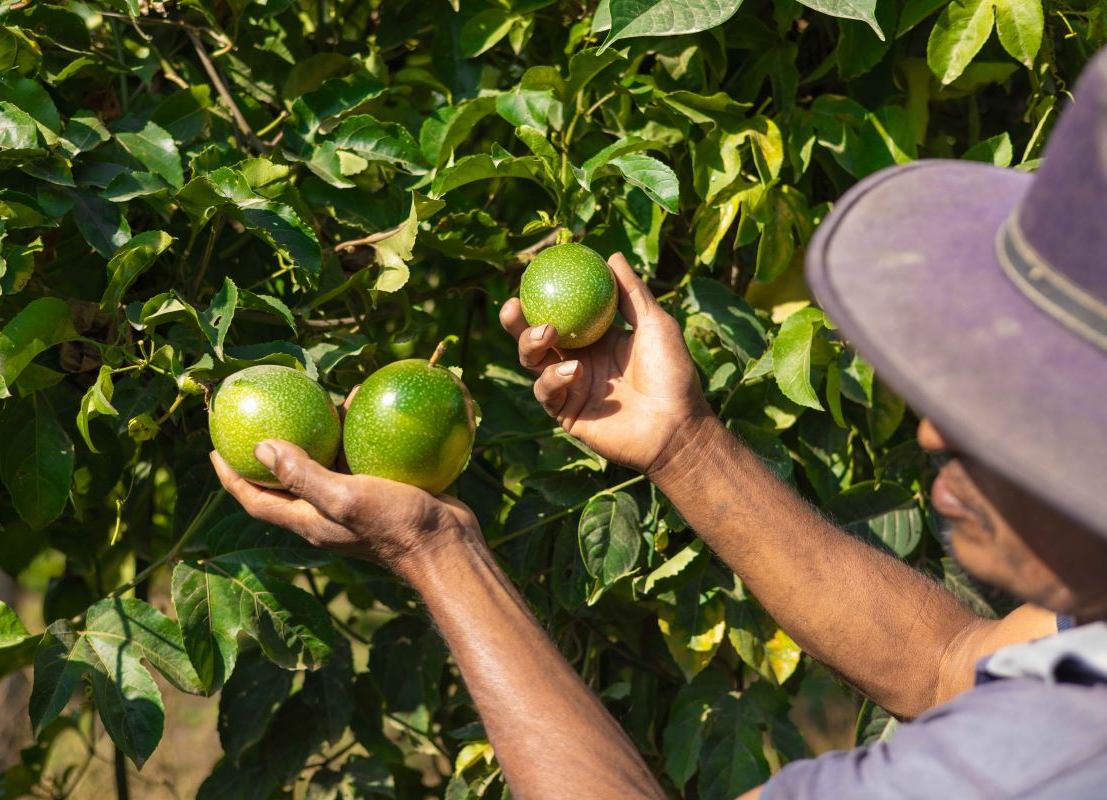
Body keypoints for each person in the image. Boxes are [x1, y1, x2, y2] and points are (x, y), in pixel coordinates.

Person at [209, 52, 1107, 799]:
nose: (937, 434)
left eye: (1023, 393)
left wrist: (438, 553)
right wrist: (686, 445)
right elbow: (953, 667)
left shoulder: (1034, 762)